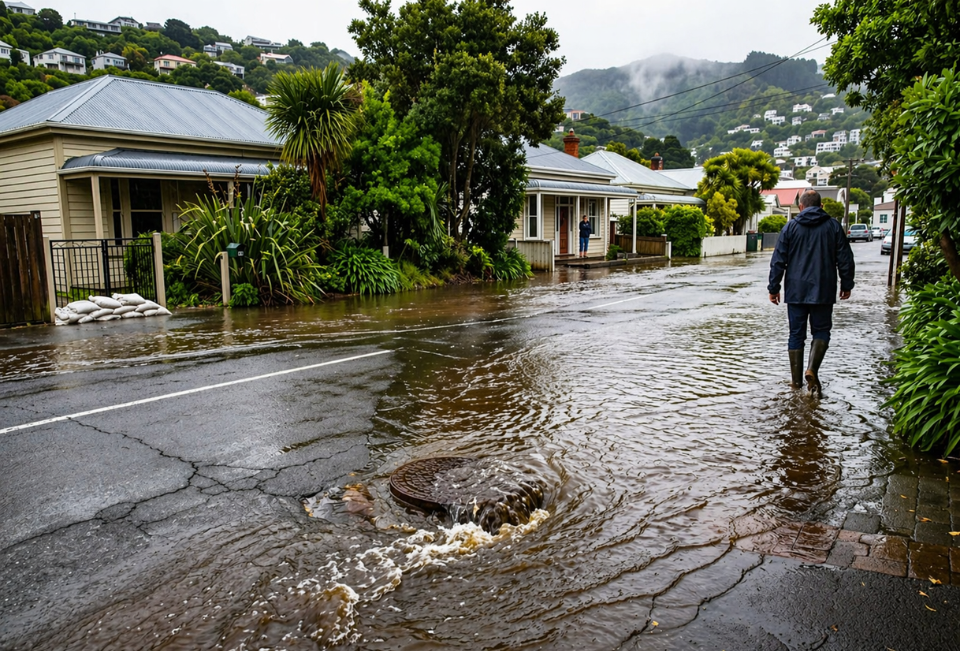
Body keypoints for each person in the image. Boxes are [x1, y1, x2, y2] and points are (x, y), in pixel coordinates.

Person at [768, 189, 855, 396]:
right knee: (821, 331)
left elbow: (778, 260)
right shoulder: (833, 226)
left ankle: (796, 384)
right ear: (821, 206)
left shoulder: (790, 227)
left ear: (800, 207)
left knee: (796, 335)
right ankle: (812, 369)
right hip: (823, 289)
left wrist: (774, 288)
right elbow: (845, 258)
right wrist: (846, 284)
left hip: (796, 291)